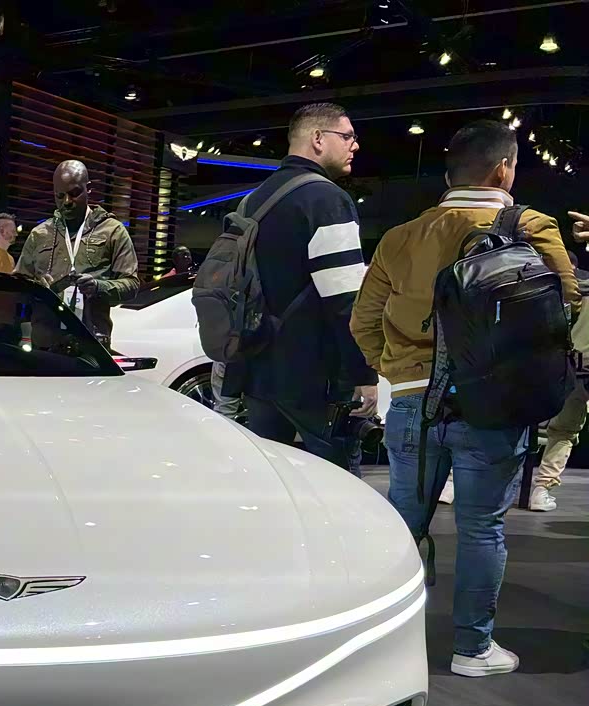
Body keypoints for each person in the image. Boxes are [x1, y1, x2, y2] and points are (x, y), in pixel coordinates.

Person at [351, 119, 580, 677]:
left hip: (413, 402)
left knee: (404, 524)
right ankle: (472, 650)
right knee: (482, 528)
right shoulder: (532, 227)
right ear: (504, 169)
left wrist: (402, 373)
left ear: (451, 172)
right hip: (494, 403)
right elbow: (566, 303)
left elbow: (363, 321)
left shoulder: (400, 236)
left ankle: (378, 649)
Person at [218, 103, 378, 475]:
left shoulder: (253, 201)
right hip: (315, 377)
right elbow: (345, 300)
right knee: (338, 487)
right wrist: (362, 374)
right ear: (318, 139)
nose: (355, 145)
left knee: (271, 482)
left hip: (257, 370)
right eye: (348, 136)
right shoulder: (327, 200)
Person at [15, 159, 139, 343]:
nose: (67, 202)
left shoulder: (112, 231)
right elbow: (17, 287)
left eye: (74, 194)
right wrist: (37, 287)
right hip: (46, 341)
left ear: (89, 189)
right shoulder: (39, 234)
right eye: (60, 195)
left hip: (92, 342)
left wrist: (99, 287)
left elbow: (132, 285)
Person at [528, 266, 589, 511]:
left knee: (560, 429)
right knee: (563, 430)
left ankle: (541, 489)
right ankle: (542, 488)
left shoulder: (565, 285)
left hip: (567, 363)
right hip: (576, 364)